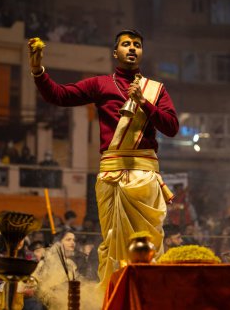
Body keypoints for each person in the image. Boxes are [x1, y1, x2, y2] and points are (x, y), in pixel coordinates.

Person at [28, 29, 179, 289]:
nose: (132, 48)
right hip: (112, 177)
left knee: (151, 245)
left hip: (145, 177)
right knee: (113, 243)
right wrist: (38, 70)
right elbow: (58, 95)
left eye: (137, 45)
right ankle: (116, 297)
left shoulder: (155, 90)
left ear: (141, 52)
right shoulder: (101, 84)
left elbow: (172, 127)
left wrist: (144, 102)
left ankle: (150, 297)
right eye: (126, 44)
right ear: (115, 52)